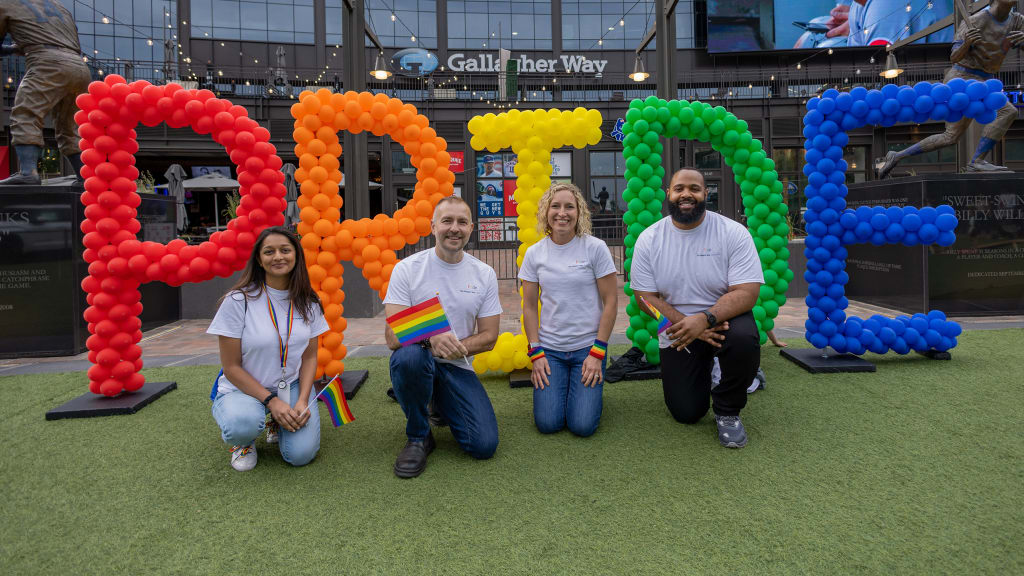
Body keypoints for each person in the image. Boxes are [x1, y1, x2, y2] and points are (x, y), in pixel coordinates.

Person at [631, 168, 764, 449]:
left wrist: (704, 320)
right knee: (686, 413)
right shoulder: (650, 238)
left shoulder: (732, 232)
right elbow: (644, 298)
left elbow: (747, 293)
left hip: (723, 318)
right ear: (668, 194)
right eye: (679, 189)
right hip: (677, 328)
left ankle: (728, 409)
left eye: (694, 188)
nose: (686, 194)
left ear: (706, 194)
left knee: (743, 339)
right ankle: (713, 365)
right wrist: (686, 324)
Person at [385, 196, 501, 478]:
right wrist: (430, 339)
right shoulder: (407, 269)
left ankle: (434, 401)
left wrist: (455, 348)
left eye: (462, 222)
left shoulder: (484, 273)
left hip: (456, 365)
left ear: (471, 228)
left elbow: (489, 337)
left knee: (483, 445)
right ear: (433, 225)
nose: (454, 228)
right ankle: (419, 437)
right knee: (410, 357)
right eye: (447, 221)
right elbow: (391, 337)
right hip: (417, 357)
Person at [207, 226, 328, 471]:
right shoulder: (238, 301)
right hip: (243, 388)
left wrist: (302, 400)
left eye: (285, 250)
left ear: (296, 256)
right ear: (259, 260)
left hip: (290, 386)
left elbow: (310, 356)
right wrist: (272, 402)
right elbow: (230, 367)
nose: (278, 257)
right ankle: (243, 442)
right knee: (242, 424)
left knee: (301, 455)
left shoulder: (309, 302)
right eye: (269, 252)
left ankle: (276, 423)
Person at [878, 0, 1024, 177]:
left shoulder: (1017, 21)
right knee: (1006, 112)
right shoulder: (977, 20)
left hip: (985, 80)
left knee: (950, 137)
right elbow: (954, 56)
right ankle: (976, 162)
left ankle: (897, 156)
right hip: (962, 79)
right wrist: (967, 43)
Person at [519, 183, 618, 437]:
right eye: (555, 206)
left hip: (588, 349)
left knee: (582, 426)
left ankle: (586, 396)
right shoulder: (534, 253)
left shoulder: (595, 248)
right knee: (548, 424)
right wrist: (536, 353)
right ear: (546, 212)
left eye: (569, 207)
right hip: (550, 351)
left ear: (579, 212)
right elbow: (529, 307)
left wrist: (598, 352)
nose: (562, 213)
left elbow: (611, 302)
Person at [0, 0, 91, 185]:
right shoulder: (58, 6)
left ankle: (28, 173)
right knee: (69, 127)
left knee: (25, 114)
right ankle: (85, 177)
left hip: (47, 63)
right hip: (79, 67)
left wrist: (9, 49)